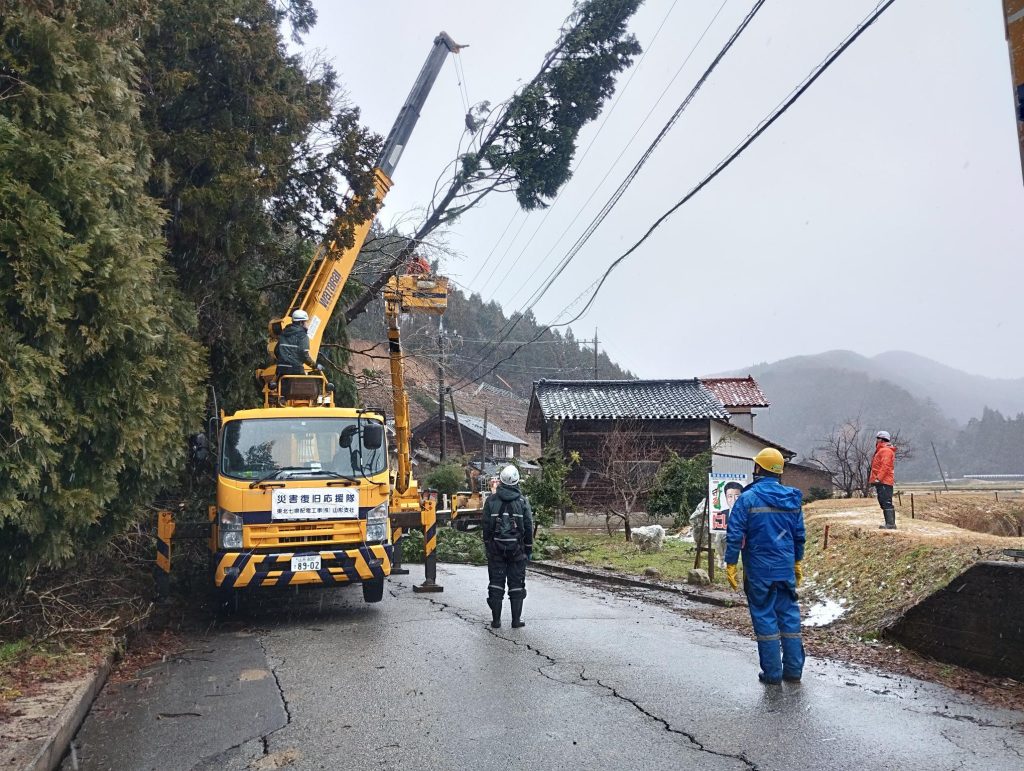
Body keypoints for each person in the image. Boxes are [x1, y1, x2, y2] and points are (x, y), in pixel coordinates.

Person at [724, 448, 806, 684]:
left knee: (765, 618)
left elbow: (735, 534)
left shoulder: (747, 499)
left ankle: (772, 673)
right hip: (785, 569)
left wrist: (731, 563)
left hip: (759, 571)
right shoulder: (792, 500)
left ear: (759, 468)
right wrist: (797, 562)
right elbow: (799, 535)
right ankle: (793, 671)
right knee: (789, 618)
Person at [482, 465, 534, 629]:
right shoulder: (522, 502)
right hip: (517, 551)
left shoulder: (491, 501)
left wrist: (488, 546)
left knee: (496, 584)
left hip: (496, 551)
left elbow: (486, 527)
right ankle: (515, 621)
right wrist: (528, 549)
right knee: (517, 584)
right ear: (517, 481)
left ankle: (496, 621)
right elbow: (528, 527)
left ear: (501, 481)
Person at [275, 309, 322, 396]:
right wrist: (315, 365)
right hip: (295, 370)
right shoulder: (302, 336)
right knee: (306, 392)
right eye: (306, 322)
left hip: (281, 370)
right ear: (301, 323)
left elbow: (276, 350)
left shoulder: (284, 333)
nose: (307, 324)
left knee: (282, 394)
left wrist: (283, 360)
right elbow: (304, 355)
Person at [870, 431, 897, 530]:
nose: (876, 441)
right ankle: (889, 523)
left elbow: (885, 466)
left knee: (886, 502)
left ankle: (890, 524)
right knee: (883, 501)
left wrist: (878, 478)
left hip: (884, 481)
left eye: (877, 438)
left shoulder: (885, 451)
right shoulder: (883, 450)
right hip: (882, 481)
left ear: (881, 439)